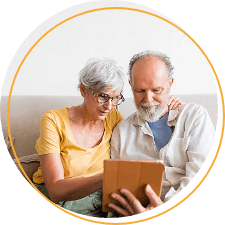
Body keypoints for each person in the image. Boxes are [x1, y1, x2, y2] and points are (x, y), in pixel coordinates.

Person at [32, 57, 182, 217]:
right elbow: (55, 190)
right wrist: (109, 176)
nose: (109, 106)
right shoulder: (53, 120)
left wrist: (168, 106)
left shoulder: (114, 119)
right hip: (59, 202)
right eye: (102, 97)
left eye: (115, 98)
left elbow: (143, 130)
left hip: (98, 206)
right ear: (83, 90)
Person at [109, 51, 215, 216]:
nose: (148, 99)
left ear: (170, 84)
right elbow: (116, 195)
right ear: (131, 86)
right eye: (139, 90)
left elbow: (200, 176)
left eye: (157, 90)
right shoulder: (121, 132)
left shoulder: (194, 117)